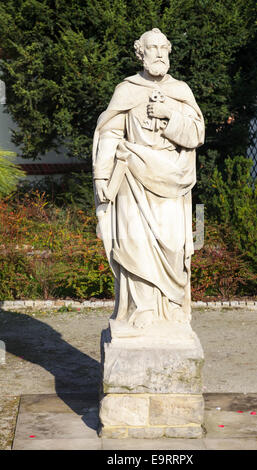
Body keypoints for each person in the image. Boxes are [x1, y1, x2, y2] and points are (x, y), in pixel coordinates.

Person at [93, 28, 205, 328]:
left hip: (172, 178)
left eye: (162, 48)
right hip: (133, 178)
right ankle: (141, 308)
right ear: (139, 53)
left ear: (168, 52)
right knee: (134, 243)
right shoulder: (126, 90)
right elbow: (110, 133)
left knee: (172, 244)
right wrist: (102, 176)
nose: (158, 53)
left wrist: (169, 113)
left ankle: (170, 309)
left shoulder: (180, 91)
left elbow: (196, 135)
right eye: (151, 48)